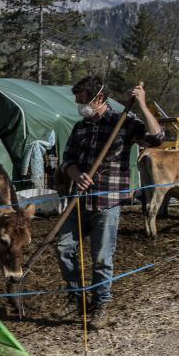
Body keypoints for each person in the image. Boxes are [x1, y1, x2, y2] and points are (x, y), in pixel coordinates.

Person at [57, 76, 163, 329]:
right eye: (77, 100)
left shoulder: (123, 123)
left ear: (100, 99)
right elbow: (67, 159)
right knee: (64, 249)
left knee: (102, 257)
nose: (79, 105)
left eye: (83, 100)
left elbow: (156, 138)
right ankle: (78, 297)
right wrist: (75, 175)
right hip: (79, 200)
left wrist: (143, 106)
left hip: (108, 201)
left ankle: (100, 306)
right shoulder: (80, 128)